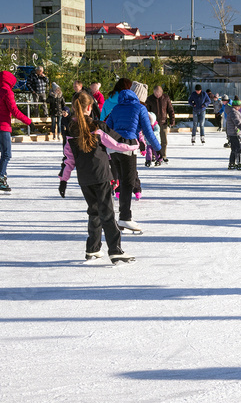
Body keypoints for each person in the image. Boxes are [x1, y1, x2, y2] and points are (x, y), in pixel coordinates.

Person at [58, 91, 134, 265]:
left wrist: (63, 180)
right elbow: (118, 143)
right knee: (107, 214)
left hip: (84, 179)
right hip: (101, 176)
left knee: (94, 211)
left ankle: (92, 248)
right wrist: (137, 143)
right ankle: (115, 250)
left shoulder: (70, 129)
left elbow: (68, 158)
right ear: (89, 107)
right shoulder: (97, 126)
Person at [104, 79, 162, 235]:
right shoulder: (139, 108)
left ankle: (122, 217)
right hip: (127, 149)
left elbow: (107, 127)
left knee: (122, 181)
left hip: (113, 149)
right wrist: (158, 149)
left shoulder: (116, 108)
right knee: (128, 182)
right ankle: (125, 218)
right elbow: (149, 132)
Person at [0, 70, 32, 193]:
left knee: (4, 154)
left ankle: (2, 178)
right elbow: (15, 111)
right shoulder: (7, 92)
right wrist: (29, 122)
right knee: (6, 154)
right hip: (3, 127)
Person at [145, 85, 175, 165]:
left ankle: (163, 155)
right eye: (155, 93)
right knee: (152, 141)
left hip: (163, 122)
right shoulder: (150, 99)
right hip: (153, 124)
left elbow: (170, 110)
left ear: (161, 92)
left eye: (159, 93)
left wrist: (172, 119)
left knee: (163, 140)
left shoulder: (166, 98)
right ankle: (154, 156)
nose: (157, 95)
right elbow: (146, 112)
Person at [225, 98, 241, 170]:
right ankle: (239, 163)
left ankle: (232, 163)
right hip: (234, 133)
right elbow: (238, 123)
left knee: (234, 149)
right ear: (236, 106)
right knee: (240, 148)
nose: (240, 108)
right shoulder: (234, 113)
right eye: (239, 106)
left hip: (232, 133)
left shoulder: (232, 111)